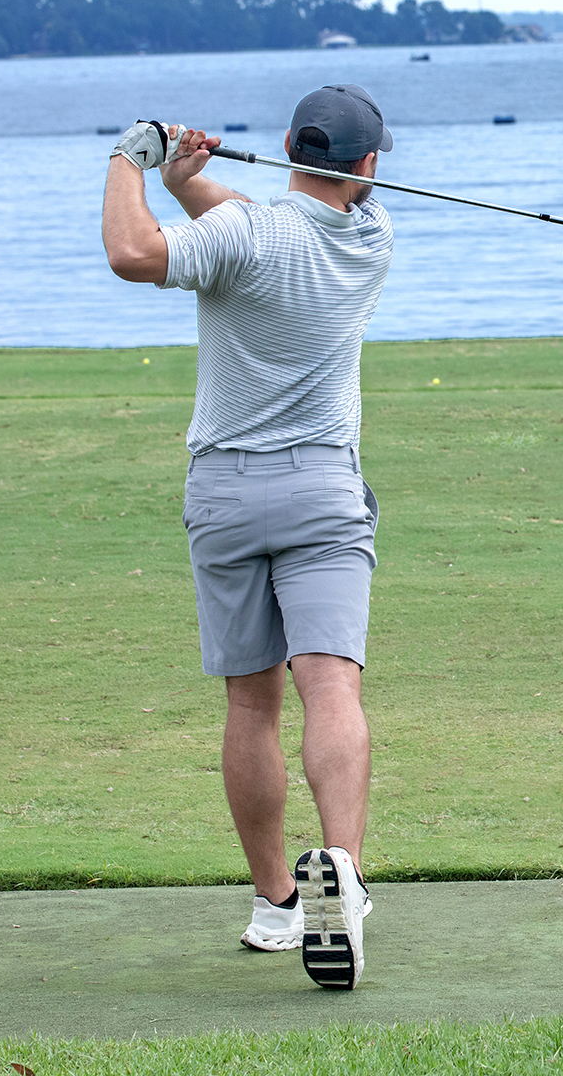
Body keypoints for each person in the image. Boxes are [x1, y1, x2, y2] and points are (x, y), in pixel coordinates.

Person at [99, 86, 395, 990]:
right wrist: (189, 184)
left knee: (251, 706)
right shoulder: (371, 236)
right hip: (322, 491)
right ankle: (342, 871)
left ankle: (276, 906)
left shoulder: (248, 233)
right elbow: (264, 230)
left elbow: (132, 252)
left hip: (225, 491)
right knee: (330, 685)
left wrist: (131, 159)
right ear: (368, 166)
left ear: (288, 147)